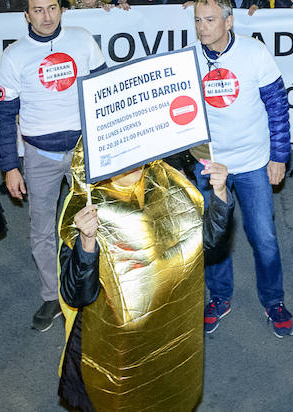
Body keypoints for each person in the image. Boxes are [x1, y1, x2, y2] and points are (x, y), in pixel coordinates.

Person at [56, 150, 233, 411]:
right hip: (107, 348)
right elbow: (76, 295)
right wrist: (86, 242)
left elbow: (203, 240)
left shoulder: (165, 186)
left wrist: (220, 193)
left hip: (161, 334)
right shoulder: (85, 208)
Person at [0, 0, 107, 333]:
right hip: (39, 156)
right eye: (38, 10)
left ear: (62, 8)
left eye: (52, 8)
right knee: (42, 231)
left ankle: (95, 289)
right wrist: (10, 166)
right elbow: (4, 115)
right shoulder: (14, 55)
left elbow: (104, 92)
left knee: (97, 223)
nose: (47, 17)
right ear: (26, 15)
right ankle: (51, 295)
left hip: (83, 153)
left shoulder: (82, 40)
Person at [190, 0, 293, 337]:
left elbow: (277, 107)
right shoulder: (188, 59)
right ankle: (219, 297)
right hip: (209, 166)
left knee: (264, 237)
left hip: (252, 163)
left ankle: (274, 300)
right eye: (198, 21)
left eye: (210, 20)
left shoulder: (254, 53)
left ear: (229, 21)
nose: (202, 27)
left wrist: (279, 156)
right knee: (214, 238)